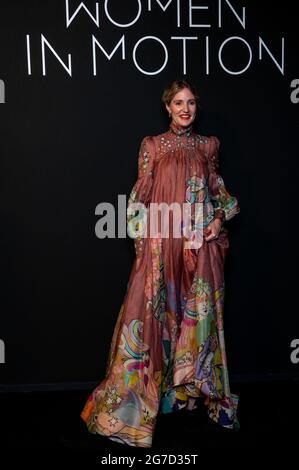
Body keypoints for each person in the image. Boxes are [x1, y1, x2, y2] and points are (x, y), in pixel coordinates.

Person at [81, 79, 240, 448]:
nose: (186, 109)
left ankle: (186, 393)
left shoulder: (208, 145)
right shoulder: (152, 145)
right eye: (179, 103)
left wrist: (217, 220)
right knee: (154, 314)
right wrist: (144, 248)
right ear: (167, 107)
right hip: (160, 244)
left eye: (191, 103)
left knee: (192, 314)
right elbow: (139, 197)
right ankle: (150, 398)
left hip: (198, 246)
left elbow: (220, 192)